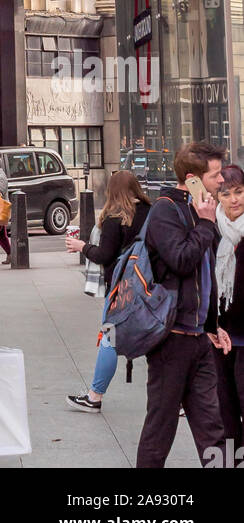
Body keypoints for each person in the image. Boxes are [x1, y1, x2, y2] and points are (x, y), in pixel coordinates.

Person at [136, 140, 228, 469]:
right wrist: (205, 224)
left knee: (213, 428)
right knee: (161, 430)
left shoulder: (200, 210)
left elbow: (206, 275)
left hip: (199, 339)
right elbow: (182, 260)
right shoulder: (165, 210)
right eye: (216, 175)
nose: (222, 181)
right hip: (170, 340)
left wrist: (212, 325)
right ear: (192, 178)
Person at [65, 170, 151, 412]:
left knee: (109, 338)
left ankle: (94, 396)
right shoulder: (151, 213)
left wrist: (83, 246)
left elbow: (105, 255)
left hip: (121, 292)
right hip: (149, 289)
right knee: (157, 339)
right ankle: (177, 400)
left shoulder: (115, 219)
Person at [214, 164, 244, 451]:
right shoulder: (213, 229)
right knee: (225, 413)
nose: (234, 200)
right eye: (227, 193)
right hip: (221, 336)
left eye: (239, 192)